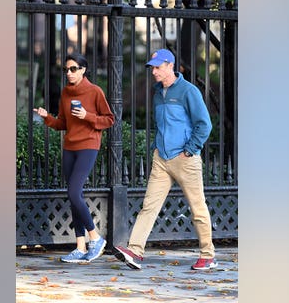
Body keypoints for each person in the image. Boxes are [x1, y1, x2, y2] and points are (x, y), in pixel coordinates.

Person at [113, 49, 217, 270]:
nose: (154, 72)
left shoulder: (189, 91)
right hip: (161, 158)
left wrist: (190, 150)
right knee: (148, 206)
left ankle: (208, 256)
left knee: (197, 208)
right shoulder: (158, 92)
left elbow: (204, 124)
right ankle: (136, 251)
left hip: (185, 159)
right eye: (152, 67)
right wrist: (157, 148)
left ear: (170, 65)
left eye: (158, 67)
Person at [33, 53, 115, 263]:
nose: (68, 73)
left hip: (88, 145)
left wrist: (87, 116)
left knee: (74, 192)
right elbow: (62, 123)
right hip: (69, 147)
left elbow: (109, 119)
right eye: (66, 70)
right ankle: (80, 246)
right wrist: (47, 118)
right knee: (73, 197)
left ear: (83, 70)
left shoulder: (94, 91)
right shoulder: (65, 93)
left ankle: (95, 238)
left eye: (73, 69)